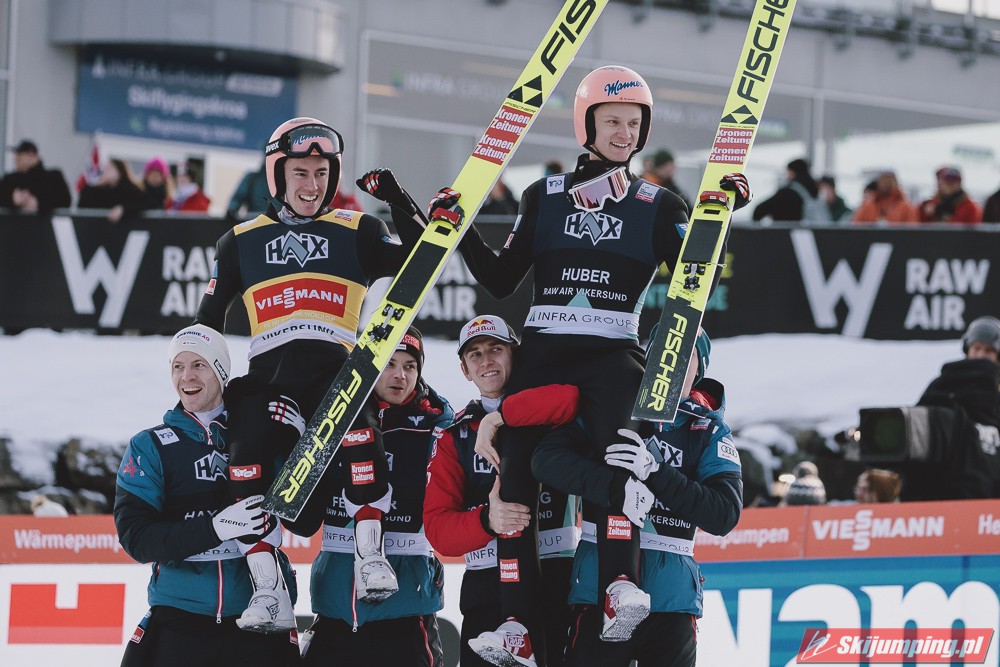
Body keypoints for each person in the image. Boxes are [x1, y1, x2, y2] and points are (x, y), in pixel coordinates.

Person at [439, 64, 751, 651]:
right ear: (586, 125)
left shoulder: (658, 202)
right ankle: (516, 627)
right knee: (516, 472)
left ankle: (620, 587)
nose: (625, 134)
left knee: (621, 450)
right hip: (545, 350)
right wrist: (456, 231)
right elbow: (502, 280)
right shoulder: (544, 196)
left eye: (634, 124)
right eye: (612, 122)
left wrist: (720, 215)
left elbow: (697, 280)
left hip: (612, 351)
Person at [194, 116, 428, 628]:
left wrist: (397, 200)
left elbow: (421, 260)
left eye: (322, 173)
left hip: (335, 372)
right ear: (277, 174)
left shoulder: (359, 229)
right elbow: (206, 324)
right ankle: (269, 589)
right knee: (244, 458)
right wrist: (196, 386)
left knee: (360, 426)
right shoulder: (239, 241)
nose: (312, 184)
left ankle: (370, 556)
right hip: (267, 380)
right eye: (300, 172)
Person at [528, 328, 742, 667]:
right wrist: (614, 484)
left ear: (699, 368)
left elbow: (724, 514)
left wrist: (655, 472)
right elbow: (546, 461)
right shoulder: (610, 407)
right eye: (665, 351)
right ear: (648, 357)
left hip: (672, 602)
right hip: (599, 592)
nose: (673, 363)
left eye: (686, 356)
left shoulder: (708, 431)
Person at [114, 324, 300, 666]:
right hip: (179, 618)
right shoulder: (149, 445)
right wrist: (215, 528)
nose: (187, 376)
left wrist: (299, 439)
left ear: (221, 371)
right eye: (178, 366)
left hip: (260, 620)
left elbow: (303, 512)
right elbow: (136, 538)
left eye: (198, 364)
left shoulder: (260, 432)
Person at [424, 315, 581, 667]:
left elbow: (572, 398)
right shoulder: (454, 435)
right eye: (475, 354)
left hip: (557, 578)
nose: (487, 361)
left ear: (514, 355)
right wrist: (487, 520)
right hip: (487, 588)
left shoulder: (551, 410)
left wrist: (501, 417)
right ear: (465, 369)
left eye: (496, 349)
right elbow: (438, 530)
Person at [292, 327, 453, 666]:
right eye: (389, 364)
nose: (400, 375)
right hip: (335, 608)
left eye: (410, 366)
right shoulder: (333, 416)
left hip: (405, 610)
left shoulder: (437, 421)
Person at [0, 139, 72, 214]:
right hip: (13, 221)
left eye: (20, 154)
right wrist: (12, 198)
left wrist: (39, 203)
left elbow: (65, 200)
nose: (16, 158)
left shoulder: (53, 177)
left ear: (32, 155)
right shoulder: (9, 180)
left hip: (44, 221)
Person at [751, 158, 826, 224]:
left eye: (788, 171)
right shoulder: (814, 192)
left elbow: (759, 210)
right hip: (809, 233)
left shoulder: (787, 193)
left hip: (785, 233)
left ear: (793, 172)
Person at [77, 157, 147, 223]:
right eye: (105, 169)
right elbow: (83, 207)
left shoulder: (130, 189)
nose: (106, 171)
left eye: (110, 169)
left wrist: (123, 208)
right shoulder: (96, 190)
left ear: (120, 171)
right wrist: (98, 186)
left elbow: (141, 201)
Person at [917, 166, 982, 224]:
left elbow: (973, 229)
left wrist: (950, 221)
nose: (949, 185)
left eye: (953, 182)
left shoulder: (969, 207)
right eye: (946, 182)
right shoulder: (930, 204)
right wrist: (927, 214)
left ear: (959, 183)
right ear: (940, 182)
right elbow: (920, 225)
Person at [851, 170, 917, 224]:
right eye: (883, 180)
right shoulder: (867, 206)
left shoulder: (906, 207)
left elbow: (912, 230)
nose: (886, 183)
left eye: (889, 180)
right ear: (878, 183)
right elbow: (856, 227)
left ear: (896, 183)